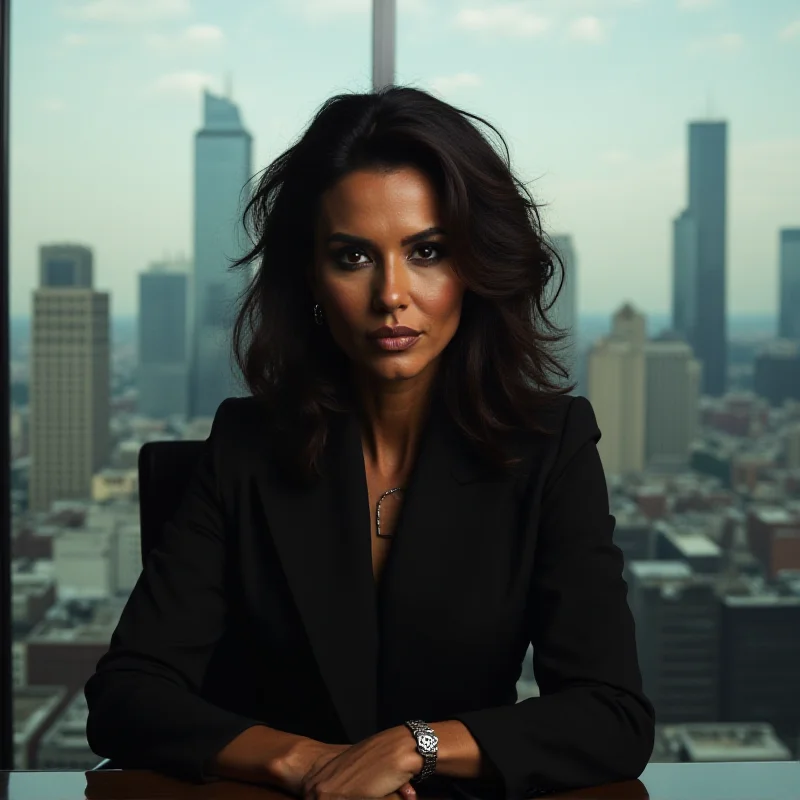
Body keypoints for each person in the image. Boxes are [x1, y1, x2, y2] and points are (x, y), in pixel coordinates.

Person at [84, 86, 655, 800]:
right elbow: (128, 695)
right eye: (354, 256)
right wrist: (301, 761)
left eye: (428, 251)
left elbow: (613, 716)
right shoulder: (246, 446)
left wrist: (415, 748)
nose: (391, 293)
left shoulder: (551, 448)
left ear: (474, 269)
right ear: (313, 279)